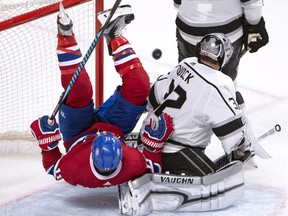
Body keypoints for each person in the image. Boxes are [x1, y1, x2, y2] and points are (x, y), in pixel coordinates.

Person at [30, 5, 174, 188]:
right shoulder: (132, 163)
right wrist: (154, 144)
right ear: (121, 153)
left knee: (78, 88)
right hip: (114, 125)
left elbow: (53, 167)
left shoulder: (74, 169)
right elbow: (152, 166)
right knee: (140, 86)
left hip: (77, 133)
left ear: (92, 151)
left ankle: (65, 36)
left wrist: (46, 145)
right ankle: (112, 32)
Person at [119, 33, 258, 215]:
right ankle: (148, 191)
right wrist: (242, 144)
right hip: (175, 151)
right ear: (224, 57)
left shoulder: (185, 64)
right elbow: (232, 139)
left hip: (149, 137)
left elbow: (153, 97)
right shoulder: (220, 84)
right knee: (214, 178)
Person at [173, 0, 269, 81]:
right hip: (228, 35)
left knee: (186, 77)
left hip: (188, 31)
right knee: (225, 81)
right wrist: (254, 27)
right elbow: (252, 3)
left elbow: (177, 4)